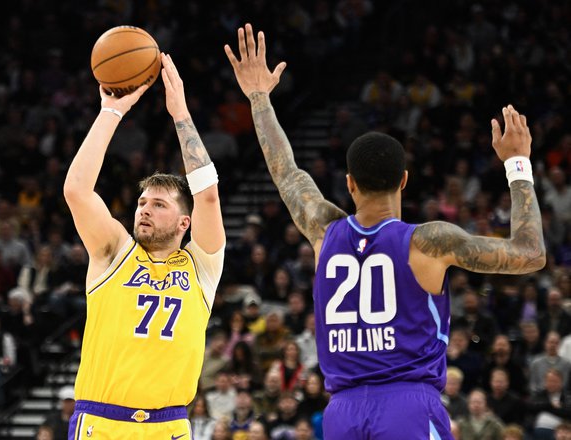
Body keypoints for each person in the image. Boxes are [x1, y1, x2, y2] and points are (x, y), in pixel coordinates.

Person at [225, 23, 546, 440]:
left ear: (350, 184)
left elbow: (286, 173)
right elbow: (531, 252)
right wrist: (517, 164)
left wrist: (259, 97)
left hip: (341, 412)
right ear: (405, 180)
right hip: (406, 405)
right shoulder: (429, 243)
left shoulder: (323, 232)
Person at [63, 53, 225, 439]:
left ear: (184, 222)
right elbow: (76, 190)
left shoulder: (201, 267)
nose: (144, 210)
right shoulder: (114, 251)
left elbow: (208, 197)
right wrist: (111, 112)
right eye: (141, 203)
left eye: (158, 204)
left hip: (168, 426)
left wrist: (180, 114)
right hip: (101, 423)